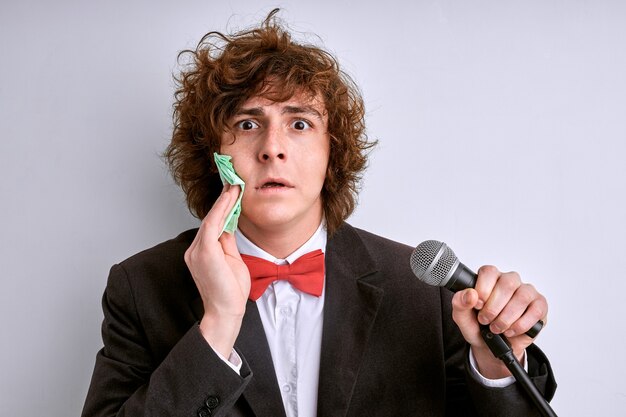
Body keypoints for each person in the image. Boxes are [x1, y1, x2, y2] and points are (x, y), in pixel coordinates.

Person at [82, 9, 556, 417]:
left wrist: (497, 364)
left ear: (334, 151)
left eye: (300, 124)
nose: (272, 149)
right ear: (214, 153)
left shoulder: (424, 292)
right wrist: (218, 325)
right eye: (248, 124)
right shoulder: (140, 287)